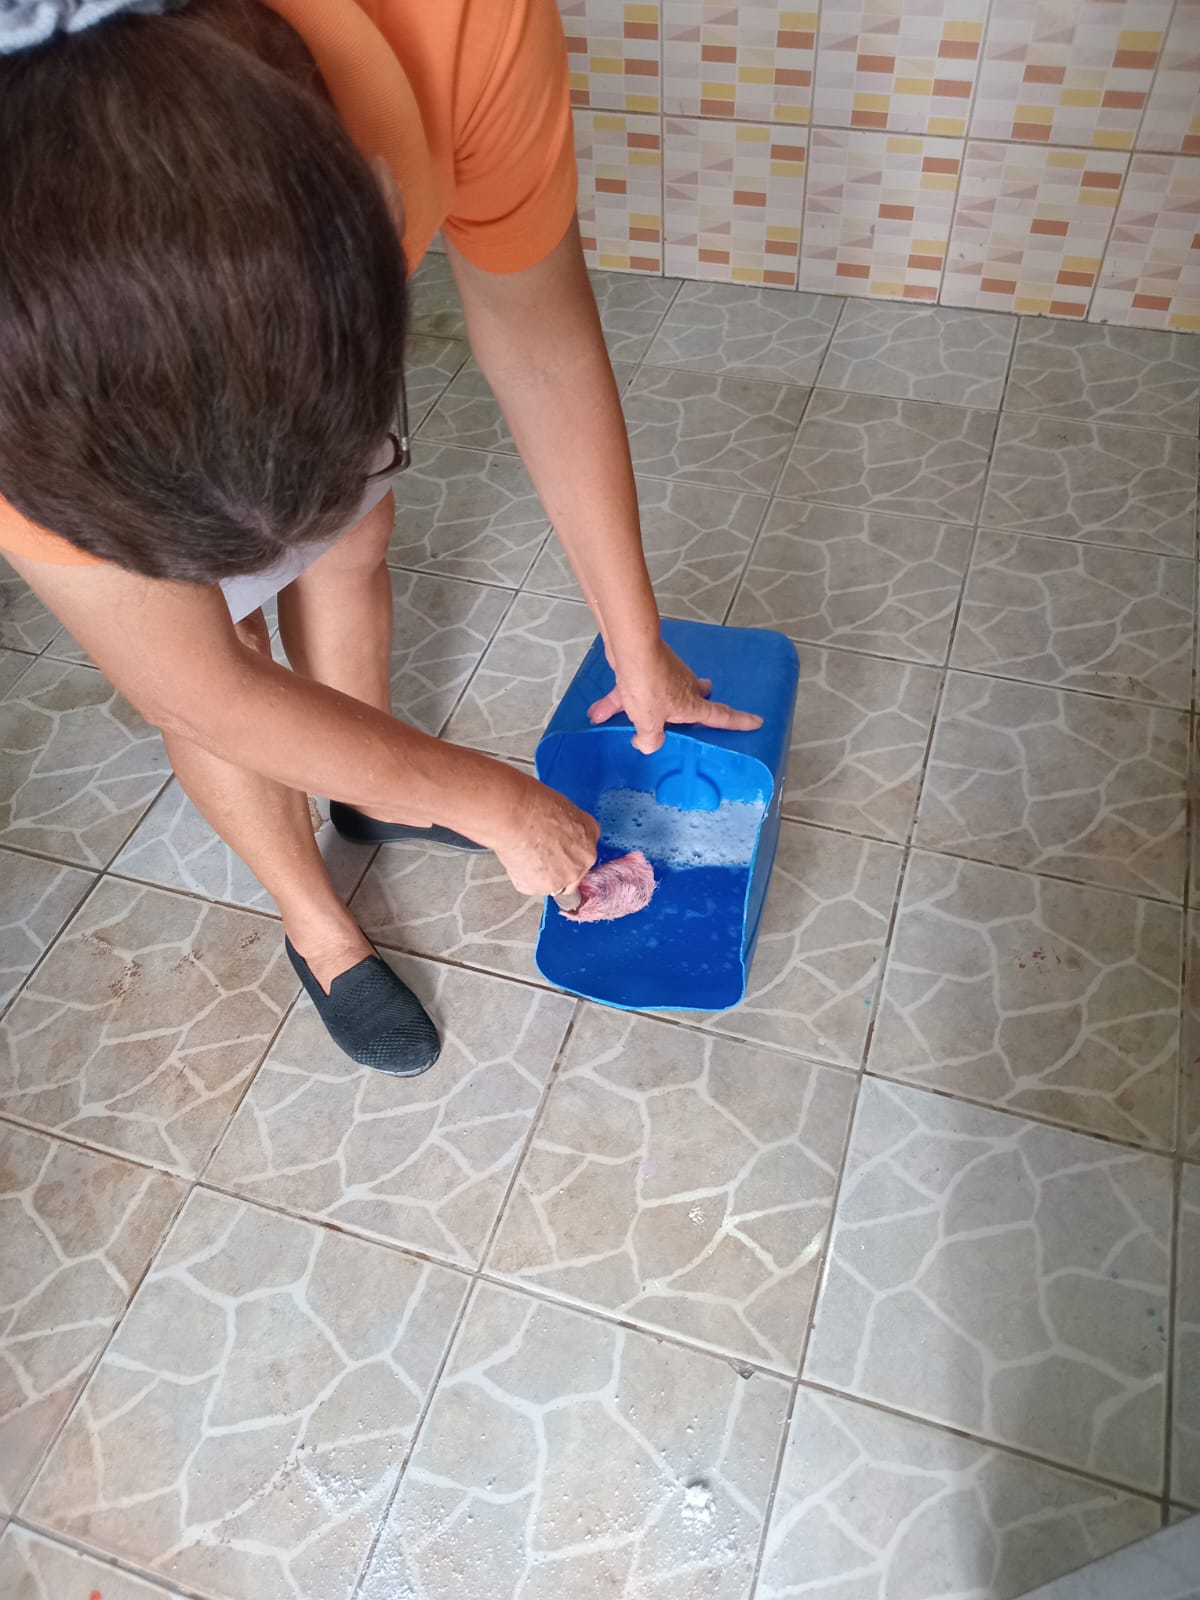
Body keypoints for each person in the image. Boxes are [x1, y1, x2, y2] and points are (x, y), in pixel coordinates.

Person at [0, 0, 761, 1075]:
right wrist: (492, 801)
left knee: (355, 538)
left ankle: (368, 788)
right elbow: (197, 688)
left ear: (386, 201)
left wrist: (635, 640)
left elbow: (543, 349)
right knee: (232, 643)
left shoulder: (460, 25)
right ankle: (317, 924)